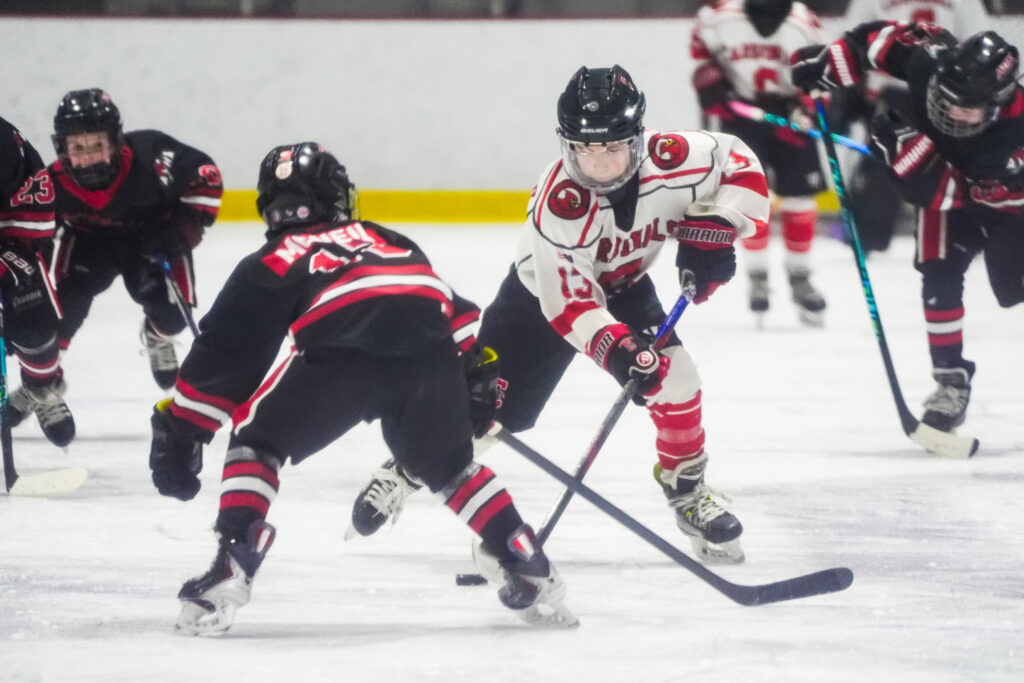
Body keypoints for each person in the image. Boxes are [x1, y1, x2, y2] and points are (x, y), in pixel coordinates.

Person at [147, 142, 574, 635]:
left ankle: (233, 561)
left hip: (342, 361)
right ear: (337, 197)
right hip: (429, 358)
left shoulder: (271, 259)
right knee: (451, 466)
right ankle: (526, 561)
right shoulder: (384, 236)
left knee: (257, 441)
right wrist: (475, 375)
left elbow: (225, 357)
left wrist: (184, 429)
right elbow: (447, 305)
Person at [349, 65, 770, 564]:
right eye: (585, 150)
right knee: (485, 416)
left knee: (678, 382)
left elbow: (739, 161)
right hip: (538, 301)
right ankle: (406, 468)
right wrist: (616, 346)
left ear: (638, 138)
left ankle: (687, 493)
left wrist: (722, 222)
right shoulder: (557, 204)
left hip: (626, 287)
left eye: (612, 148)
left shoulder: (678, 157)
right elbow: (569, 304)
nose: (598, 165)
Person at [791, 23, 1024, 432]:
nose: (951, 114)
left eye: (965, 109)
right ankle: (950, 381)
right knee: (939, 273)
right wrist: (830, 65)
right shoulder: (929, 62)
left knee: (1013, 288)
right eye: (946, 102)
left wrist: (907, 156)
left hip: (1009, 207)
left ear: (998, 102)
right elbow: (872, 41)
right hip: (949, 195)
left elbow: (950, 193)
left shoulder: (1014, 137)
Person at [45, 88, 222, 392]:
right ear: (61, 147)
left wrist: (179, 232)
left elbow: (206, 178)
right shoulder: (52, 183)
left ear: (115, 140)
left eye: (96, 144)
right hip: (89, 246)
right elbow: (30, 226)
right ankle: (43, 381)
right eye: (78, 147)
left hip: (151, 242)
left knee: (174, 317)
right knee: (58, 314)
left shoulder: (153, 157)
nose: (87, 158)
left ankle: (157, 335)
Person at [690, 0, 828, 326]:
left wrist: (808, 108)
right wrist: (709, 82)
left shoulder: (801, 22)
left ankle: (799, 273)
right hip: (742, 114)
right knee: (751, 197)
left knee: (799, 197)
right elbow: (702, 59)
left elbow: (822, 76)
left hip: (790, 112)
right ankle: (758, 275)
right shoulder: (719, 17)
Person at [834, 0, 990, 252]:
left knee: (891, 158)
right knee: (896, 159)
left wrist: (853, 89)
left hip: (927, 94)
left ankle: (869, 236)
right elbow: (980, 42)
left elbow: (849, 44)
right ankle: (871, 235)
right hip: (928, 93)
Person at [0, 116, 75, 448]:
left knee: (32, 314)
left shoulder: (2, 142)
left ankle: (41, 386)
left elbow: (31, 215)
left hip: (16, 231)